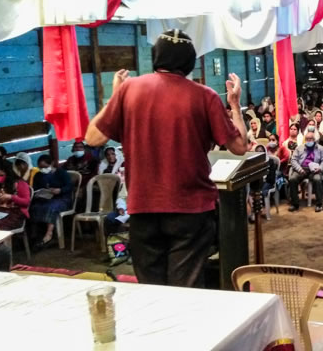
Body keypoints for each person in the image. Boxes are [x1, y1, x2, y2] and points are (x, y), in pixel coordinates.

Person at [84, 29, 248, 288]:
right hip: (191, 210)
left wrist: (116, 96)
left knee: (153, 290)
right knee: (186, 289)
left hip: (143, 208)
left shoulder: (129, 90)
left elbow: (92, 138)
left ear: (155, 57)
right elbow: (239, 147)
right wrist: (235, 105)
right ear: (190, 62)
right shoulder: (204, 95)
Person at [29, 154, 74, 248]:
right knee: (34, 207)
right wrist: (39, 193)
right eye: (40, 167)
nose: (43, 169)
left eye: (45, 167)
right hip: (45, 199)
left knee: (52, 207)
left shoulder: (61, 173)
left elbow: (69, 186)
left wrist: (60, 190)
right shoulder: (38, 175)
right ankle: (35, 235)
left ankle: (49, 234)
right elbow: (35, 189)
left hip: (62, 199)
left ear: (51, 164)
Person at [0, 160, 30, 231]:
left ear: (9, 173)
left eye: (1, 175)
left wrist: (11, 197)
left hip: (15, 213)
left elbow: (26, 202)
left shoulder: (20, 183)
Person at [287, 132, 323, 213]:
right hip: (302, 169)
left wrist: (319, 168)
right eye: (307, 139)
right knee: (292, 179)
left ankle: (319, 204)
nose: (309, 141)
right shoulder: (299, 148)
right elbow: (293, 160)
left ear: (314, 139)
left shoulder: (321, 149)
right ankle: (295, 204)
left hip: (314, 170)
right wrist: (299, 169)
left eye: (310, 139)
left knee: (317, 179)